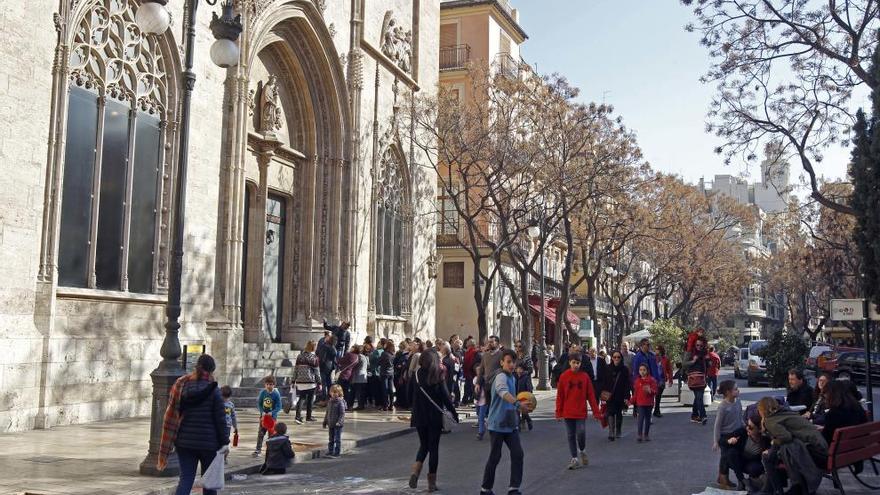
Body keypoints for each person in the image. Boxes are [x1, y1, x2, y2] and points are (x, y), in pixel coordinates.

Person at [157, 354, 229, 495]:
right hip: (209, 443)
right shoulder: (214, 390)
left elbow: (172, 413)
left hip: (185, 443)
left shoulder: (182, 385)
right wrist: (225, 442)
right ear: (212, 371)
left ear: (197, 366)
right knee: (210, 482)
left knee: (186, 479)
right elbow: (221, 420)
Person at [480, 349, 531, 495]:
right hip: (497, 424)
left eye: (513, 362)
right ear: (502, 362)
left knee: (518, 454)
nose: (511, 365)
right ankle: (485, 489)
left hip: (510, 423)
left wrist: (520, 408)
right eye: (508, 362)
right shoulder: (501, 377)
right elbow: (503, 392)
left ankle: (513, 488)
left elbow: (511, 399)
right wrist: (517, 404)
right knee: (495, 457)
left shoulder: (513, 378)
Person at [756, 397, 828, 495]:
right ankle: (776, 488)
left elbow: (786, 437)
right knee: (777, 452)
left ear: (762, 410)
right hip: (821, 446)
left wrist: (774, 443)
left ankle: (777, 490)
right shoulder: (785, 412)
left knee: (768, 457)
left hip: (815, 451)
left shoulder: (771, 420)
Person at [409, 350, 459, 492]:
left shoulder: (417, 375)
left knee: (423, 445)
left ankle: (415, 472)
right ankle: (432, 483)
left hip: (419, 415)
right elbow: (445, 397)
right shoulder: (438, 374)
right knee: (433, 448)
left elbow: (409, 394)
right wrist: (454, 414)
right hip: (434, 416)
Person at [555, 352, 602, 469]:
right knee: (570, 435)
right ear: (569, 363)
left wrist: (596, 412)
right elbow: (560, 395)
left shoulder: (585, 377)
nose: (576, 365)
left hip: (580, 411)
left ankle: (582, 449)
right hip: (567, 411)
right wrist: (558, 412)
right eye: (573, 362)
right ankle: (574, 458)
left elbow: (591, 396)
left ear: (581, 363)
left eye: (578, 363)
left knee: (580, 432)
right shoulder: (564, 376)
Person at [712, 380, 746, 490]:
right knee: (725, 456)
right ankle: (723, 478)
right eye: (735, 389)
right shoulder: (723, 407)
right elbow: (717, 425)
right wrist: (716, 441)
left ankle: (722, 477)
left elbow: (740, 418)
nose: (738, 390)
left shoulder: (738, 401)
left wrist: (745, 427)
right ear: (728, 392)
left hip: (738, 433)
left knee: (728, 456)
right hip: (726, 435)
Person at [821, 379, 868, 445]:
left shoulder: (834, 413)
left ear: (831, 394)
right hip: (858, 447)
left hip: (837, 451)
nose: (824, 397)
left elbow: (825, 439)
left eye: (825, 394)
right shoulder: (857, 407)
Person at [600, 350, 632, 441]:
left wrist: (627, 396)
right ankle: (611, 431)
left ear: (621, 358)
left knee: (618, 413)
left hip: (620, 395)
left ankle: (618, 430)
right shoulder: (607, 368)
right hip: (610, 395)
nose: (616, 359)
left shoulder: (624, 369)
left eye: (618, 357)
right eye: (614, 357)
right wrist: (603, 394)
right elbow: (604, 382)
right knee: (610, 412)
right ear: (612, 358)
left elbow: (627, 383)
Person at [292, 341, 320, 424]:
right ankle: (309, 416)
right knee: (310, 399)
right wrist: (319, 382)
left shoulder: (299, 356)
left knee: (301, 398)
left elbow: (296, 369)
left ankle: (297, 416)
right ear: (314, 347)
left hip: (300, 381)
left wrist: (293, 380)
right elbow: (316, 371)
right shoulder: (314, 357)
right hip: (310, 381)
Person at [254, 375, 282, 456]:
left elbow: (279, 406)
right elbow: (259, 404)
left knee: (271, 434)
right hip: (263, 417)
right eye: (267, 384)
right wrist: (261, 411)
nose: (269, 386)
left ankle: (270, 450)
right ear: (265, 384)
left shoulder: (276, 394)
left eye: (271, 384)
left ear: (274, 385)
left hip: (272, 418)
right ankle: (258, 449)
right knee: (261, 433)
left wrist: (272, 412)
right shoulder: (263, 392)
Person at [632, 363, 658, 442]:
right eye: (640, 370)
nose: (642, 372)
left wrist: (651, 391)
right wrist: (630, 401)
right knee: (640, 418)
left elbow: (655, 391)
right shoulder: (637, 381)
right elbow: (635, 394)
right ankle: (639, 435)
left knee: (647, 420)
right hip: (640, 403)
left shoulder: (652, 380)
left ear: (647, 371)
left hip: (649, 403)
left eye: (644, 370)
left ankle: (646, 434)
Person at [688, 336, 711, 425]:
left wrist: (708, 360)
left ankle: (694, 415)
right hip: (693, 378)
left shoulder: (705, 353)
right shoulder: (690, 353)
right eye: (697, 345)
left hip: (702, 378)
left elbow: (709, 364)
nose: (699, 347)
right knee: (699, 397)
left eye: (701, 346)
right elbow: (685, 364)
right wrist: (693, 361)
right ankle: (703, 416)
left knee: (698, 397)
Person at [323, 384, 347, 458]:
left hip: (337, 424)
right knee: (331, 439)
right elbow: (327, 412)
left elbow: (342, 413)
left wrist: (339, 422)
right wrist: (325, 421)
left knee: (337, 439)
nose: (333, 394)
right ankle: (330, 451)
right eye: (332, 392)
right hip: (331, 423)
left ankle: (337, 452)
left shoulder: (340, 402)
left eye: (335, 392)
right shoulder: (330, 402)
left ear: (339, 393)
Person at [336, 345, 360, 409]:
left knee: (340, 390)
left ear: (354, 349)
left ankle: (339, 404)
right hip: (350, 375)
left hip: (344, 374)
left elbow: (340, 361)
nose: (351, 348)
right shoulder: (357, 357)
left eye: (352, 347)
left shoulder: (349, 354)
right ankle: (346, 405)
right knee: (347, 391)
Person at [316, 334, 338, 402]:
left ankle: (323, 397)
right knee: (329, 382)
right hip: (331, 366)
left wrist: (320, 364)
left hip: (324, 366)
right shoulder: (333, 347)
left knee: (323, 382)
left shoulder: (325, 346)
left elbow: (322, 357)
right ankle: (329, 396)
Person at [655, 344, 673, 418]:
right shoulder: (653, 358)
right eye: (655, 349)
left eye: (657, 349)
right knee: (656, 395)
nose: (656, 350)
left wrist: (670, 380)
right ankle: (656, 410)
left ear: (661, 350)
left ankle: (657, 410)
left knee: (658, 395)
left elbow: (670, 370)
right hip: (654, 379)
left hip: (662, 379)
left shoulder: (665, 359)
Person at [220, 385, 238, 461]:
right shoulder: (218, 403)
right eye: (223, 397)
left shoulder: (231, 405)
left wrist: (235, 427)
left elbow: (233, 416)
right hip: (219, 425)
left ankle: (224, 457)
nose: (225, 399)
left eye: (226, 397)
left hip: (227, 426)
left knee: (226, 441)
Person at [515, 360, 534, 431]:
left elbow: (529, 387)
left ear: (523, 370)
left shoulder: (526, 377)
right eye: (517, 368)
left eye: (520, 369)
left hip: (524, 397)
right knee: (517, 412)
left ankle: (529, 421)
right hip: (516, 396)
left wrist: (528, 397)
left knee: (524, 412)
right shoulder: (514, 376)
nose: (518, 370)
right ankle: (518, 426)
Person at [378, 340, 396, 410]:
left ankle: (385, 405)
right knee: (391, 389)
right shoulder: (393, 354)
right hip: (391, 373)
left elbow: (379, 362)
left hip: (384, 373)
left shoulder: (384, 353)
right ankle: (391, 405)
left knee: (385, 389)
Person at [393, 340, 411, 408]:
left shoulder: (405, 355)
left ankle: (403, 403)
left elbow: (402, 364)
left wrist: (399, 366)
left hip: (401, 374)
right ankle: (399, 402)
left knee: (402, 389)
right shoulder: (400, 354)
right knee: (399, 389)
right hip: (398, 373)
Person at [352, 344, 369, 410]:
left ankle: (360, 405)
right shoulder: (364, 356)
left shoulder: (359, 356)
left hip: (358, 376)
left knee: (359, 392)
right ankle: (362, 404)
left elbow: (355, 365)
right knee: (362, 392)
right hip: (364, 376)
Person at [474, 364, 488, 440]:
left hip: (484, 401)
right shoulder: (475, 379)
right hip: (477, 400)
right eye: (477, 371)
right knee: (479, 414)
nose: (478, 372)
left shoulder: (486, 380)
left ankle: (481, 432)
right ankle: (484, 425)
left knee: (481, 416)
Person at [463, 338, 479, 405]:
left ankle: (470, 399)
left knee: (470, 387)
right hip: (467, 372)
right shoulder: (467, 351)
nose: (466, 343)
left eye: (468, 342)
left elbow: (472, 362)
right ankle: (467, 399)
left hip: (470, 372)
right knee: (467, 387)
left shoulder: (474, 352)